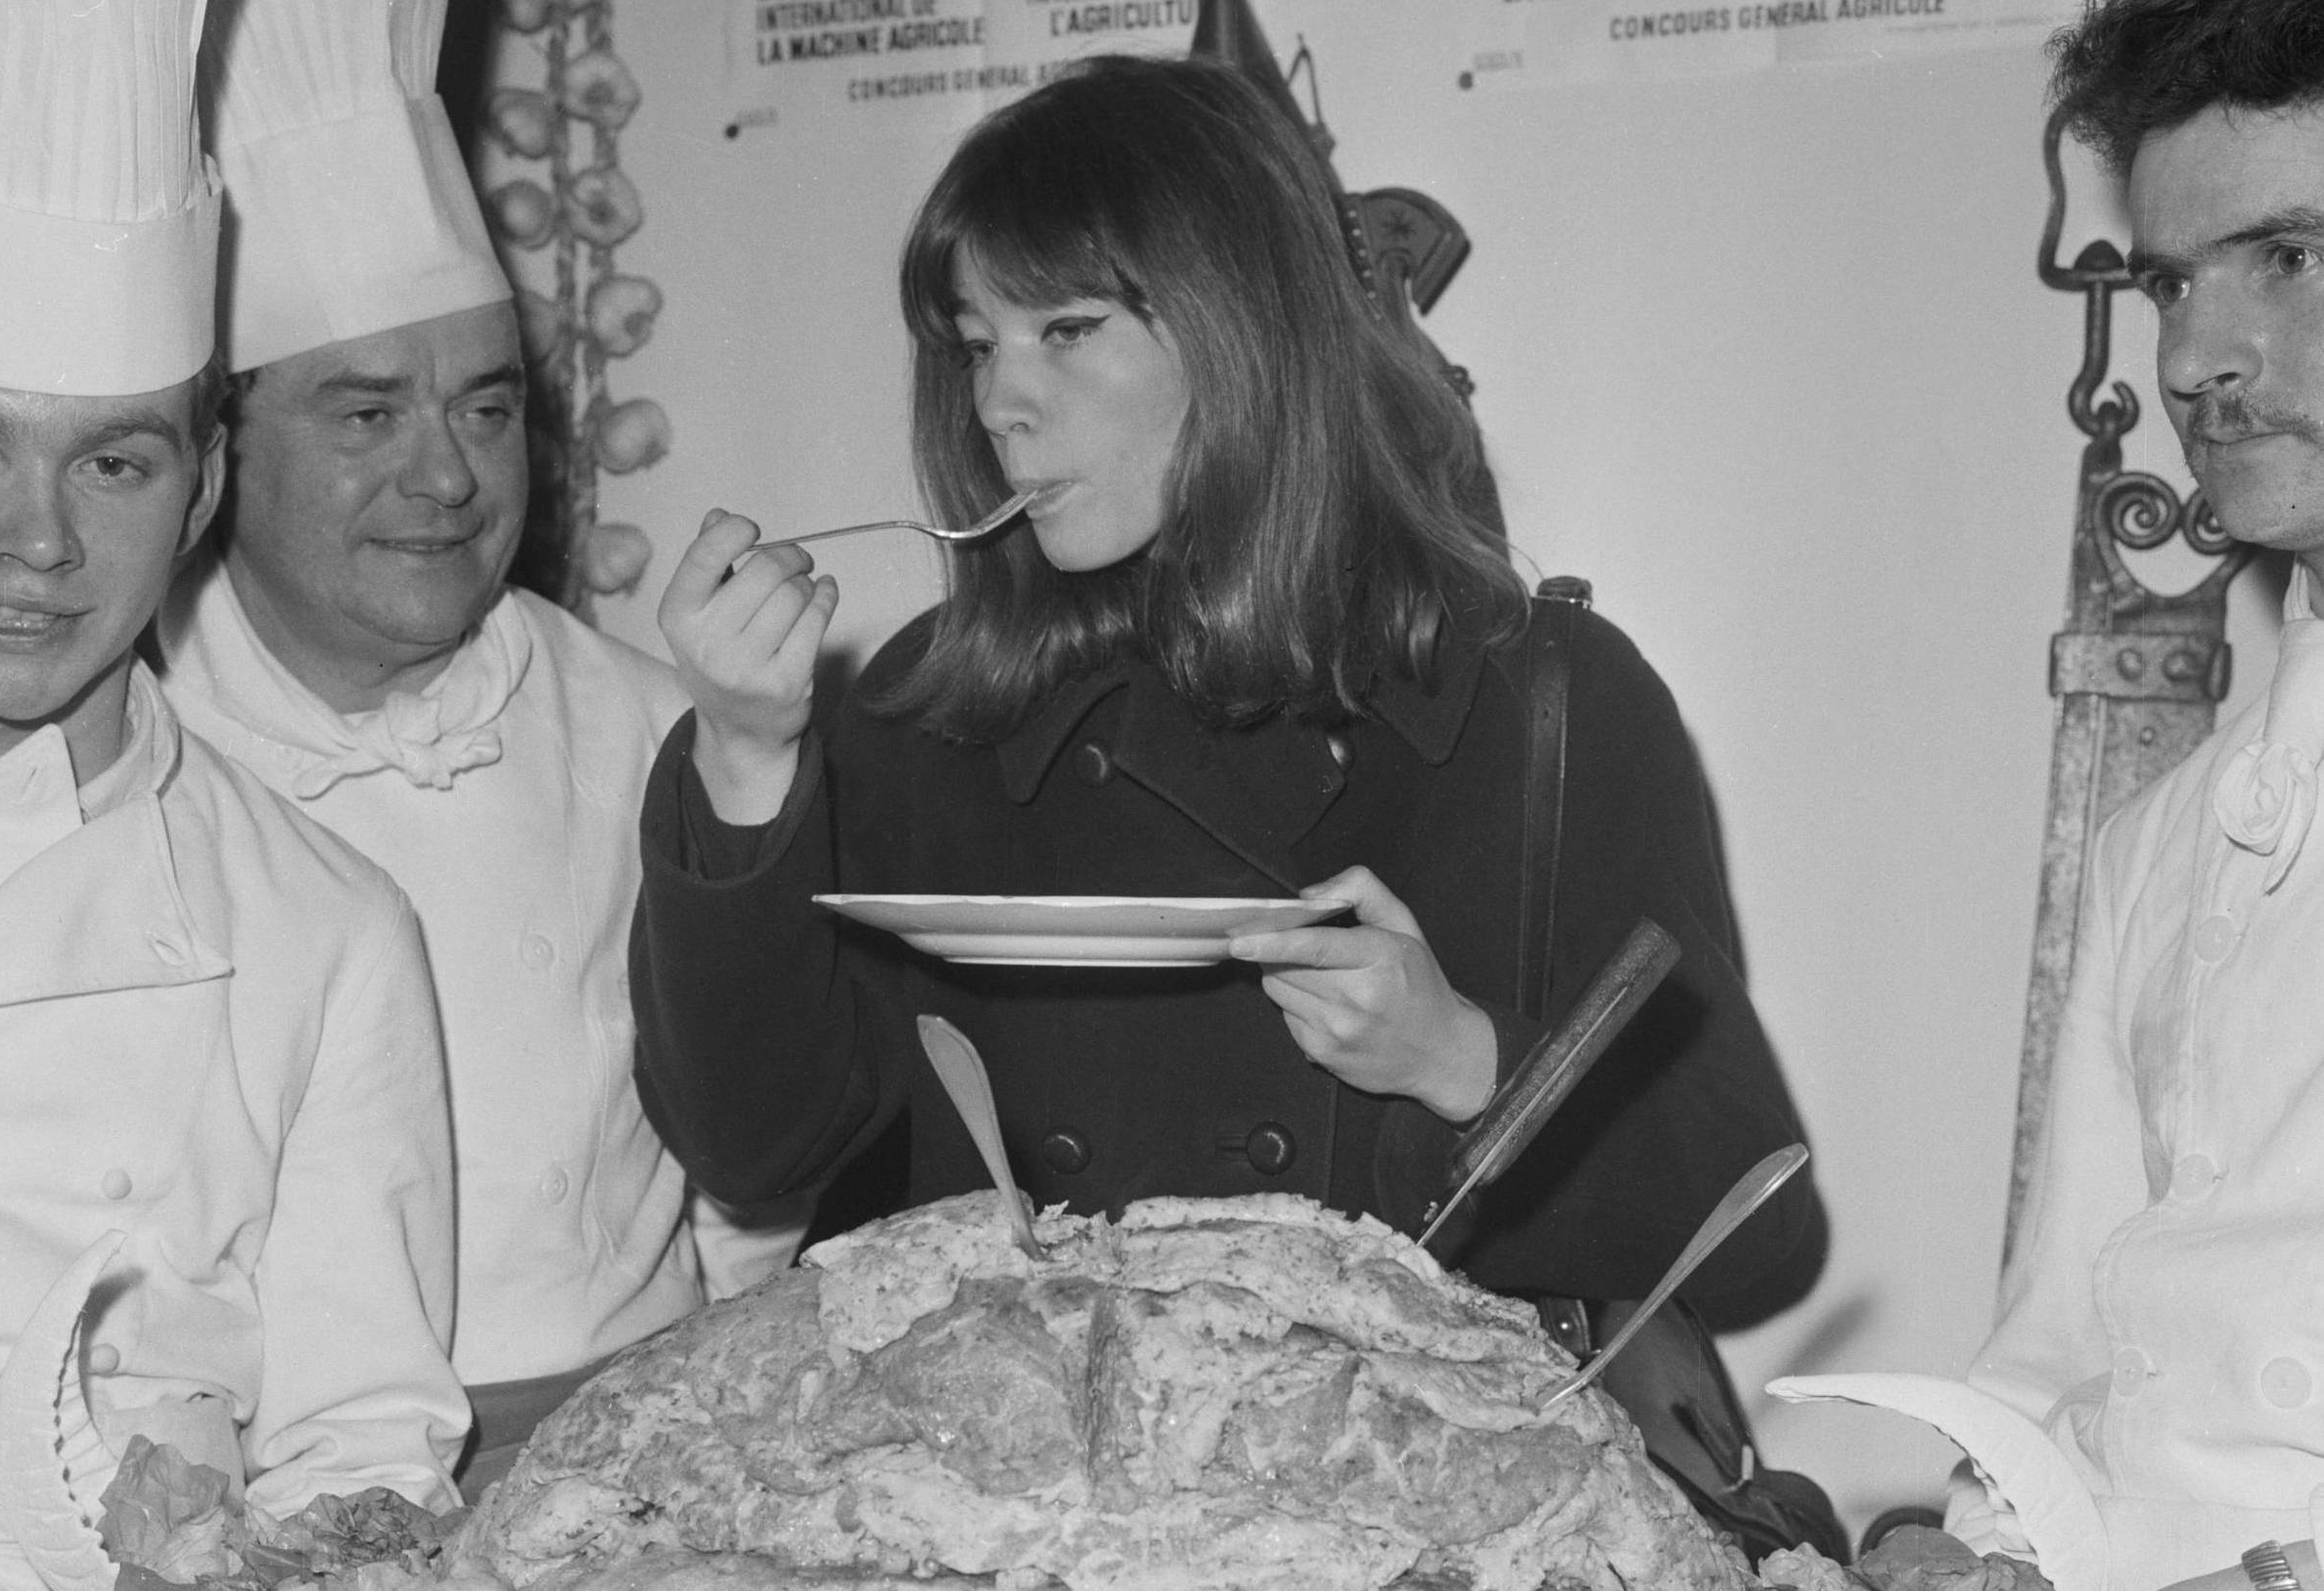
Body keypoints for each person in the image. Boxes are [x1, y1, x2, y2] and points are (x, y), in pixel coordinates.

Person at [632, 54, 1819, 1328]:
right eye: (978, 343)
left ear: (1242, 327)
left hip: (1401, 1490)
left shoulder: (1547, 703)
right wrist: (747, 760)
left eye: (1067, 330)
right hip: (1011, 1490)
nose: (998, 401)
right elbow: (751, 1152)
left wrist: (1460, 1059)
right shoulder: (931, 710)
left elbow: (1757, 1229)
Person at [149, 0, 807, 1503]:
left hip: (641, 1454)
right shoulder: (131, 758)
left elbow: (750, 1186)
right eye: (367, 412)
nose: (446, 475)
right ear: (220, 449)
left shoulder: (648, 725)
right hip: (265, 1486)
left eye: (486, 406)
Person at [0, 2, 468, 1584]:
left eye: (115, 463)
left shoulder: (329, 928)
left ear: (203, 483)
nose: (39, 541)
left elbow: (366, 1461)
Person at [1943, 1, 2324, 1586]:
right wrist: (1974, 1541)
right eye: (2174, 280)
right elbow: (2054, 1362)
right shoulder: (2160, 844)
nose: (2190, 358)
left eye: (2290, 256)